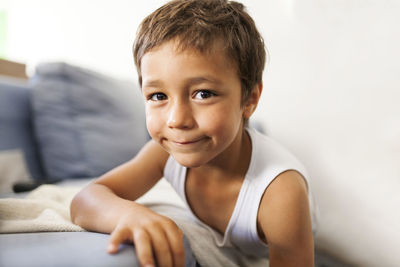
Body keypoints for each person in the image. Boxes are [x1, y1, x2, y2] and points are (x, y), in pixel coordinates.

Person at [70, 0, 317, 266]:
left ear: (249, 100)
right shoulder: (162, 155)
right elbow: (85, 199)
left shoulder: (279, 193)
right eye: (158, 95)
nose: (177, 120)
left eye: (203, 94)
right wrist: (130, 215)